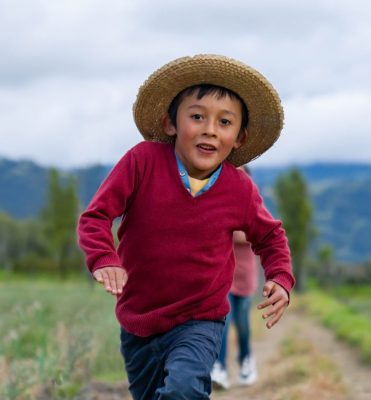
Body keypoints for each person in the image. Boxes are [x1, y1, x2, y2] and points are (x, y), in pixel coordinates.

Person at [77, 54, 295, 400]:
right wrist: (104, 258)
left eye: (225, 122)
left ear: (239, 138)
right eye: (197, 117)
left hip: (200, 320)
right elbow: (96, 216)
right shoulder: (142, 162)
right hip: (139, 322)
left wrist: (281, 279)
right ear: (170, 124)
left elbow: (271, 237)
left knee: (182, 390)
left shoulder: (239, 188)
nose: (210, 129)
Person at [211, 166, 259, 390]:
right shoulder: (218, 201)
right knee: (224, 321)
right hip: (222, 275)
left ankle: (246, 361)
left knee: (242, 323)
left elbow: (248, 235)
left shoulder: (254, 204)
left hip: (245, 275)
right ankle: (219, 368)